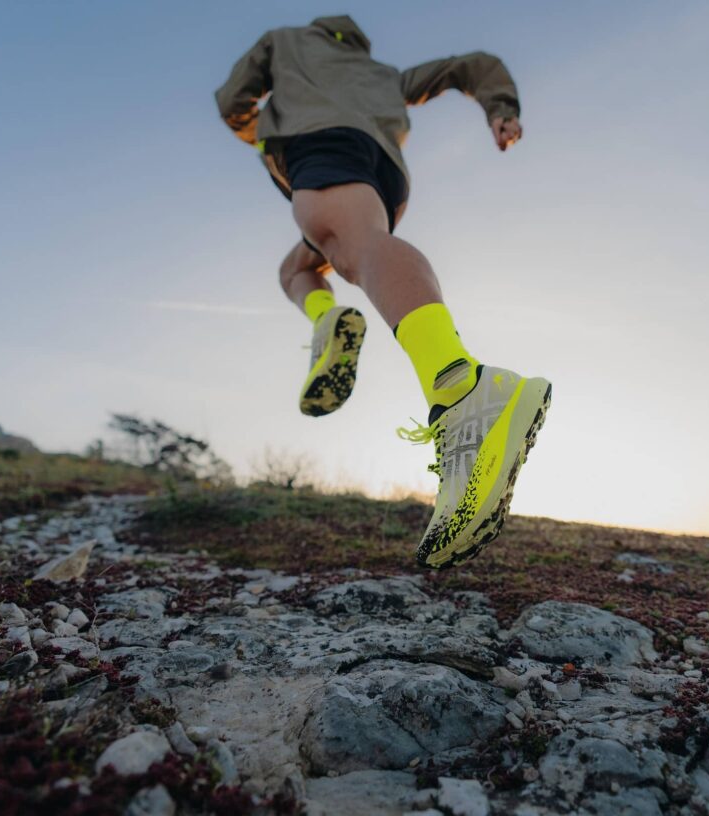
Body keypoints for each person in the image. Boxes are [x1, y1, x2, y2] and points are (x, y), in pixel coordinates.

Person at [216, 14, 550, 569]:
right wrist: (501, 109)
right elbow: (471, 66)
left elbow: (235, 98)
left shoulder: (285, 43)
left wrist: (260, 126)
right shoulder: (384, 75)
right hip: (384, 172)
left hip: (319, 144)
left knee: (357, 244)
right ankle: (328, 324)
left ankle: (461, 388)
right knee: (299, 268)